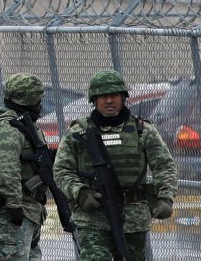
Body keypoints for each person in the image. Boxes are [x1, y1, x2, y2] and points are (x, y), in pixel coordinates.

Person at [53, 70, 177, 261]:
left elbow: (164, 165)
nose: (109, 101)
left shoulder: (142, 130)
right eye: (103, 96)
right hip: (93, 217)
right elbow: (61, 170)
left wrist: (165, 197)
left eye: (114, 96)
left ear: (123, 97)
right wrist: (80, 191)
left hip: (133, 218)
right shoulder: (78, 132)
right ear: (94, 99)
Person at [0, 73, 49, 261]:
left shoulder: (22, 124)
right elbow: (7, 168)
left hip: (29, 209)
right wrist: (14, 204)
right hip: (13, 211)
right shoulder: (8, 127)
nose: (40, 104)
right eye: (37, 99)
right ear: (30, 99)